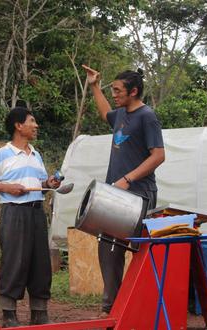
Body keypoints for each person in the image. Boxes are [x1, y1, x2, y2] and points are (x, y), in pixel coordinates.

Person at [82, 65, 165, 315]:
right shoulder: (120, 115)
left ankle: (142, 306)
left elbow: (159, 155)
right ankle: (112, 308)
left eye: (118, 91)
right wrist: (95, 86)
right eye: (113, 90)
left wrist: (128, 178)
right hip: (115, 194)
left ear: (134, 91)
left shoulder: (147, 116)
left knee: (139, 249)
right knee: (108, 246)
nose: (115, 94)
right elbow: (105, 112)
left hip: (139, 194)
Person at [0, 106, 61, 327]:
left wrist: (48, 184)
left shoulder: (36, 155)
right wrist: (8, 187)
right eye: (32, 121)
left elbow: (38, 183)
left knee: (40, 262)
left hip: (36, 213)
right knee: (14, 261)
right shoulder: (2, 154)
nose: (36, 125)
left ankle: (39, 312)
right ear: (18, 126)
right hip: (14, 213)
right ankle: (9, 315)